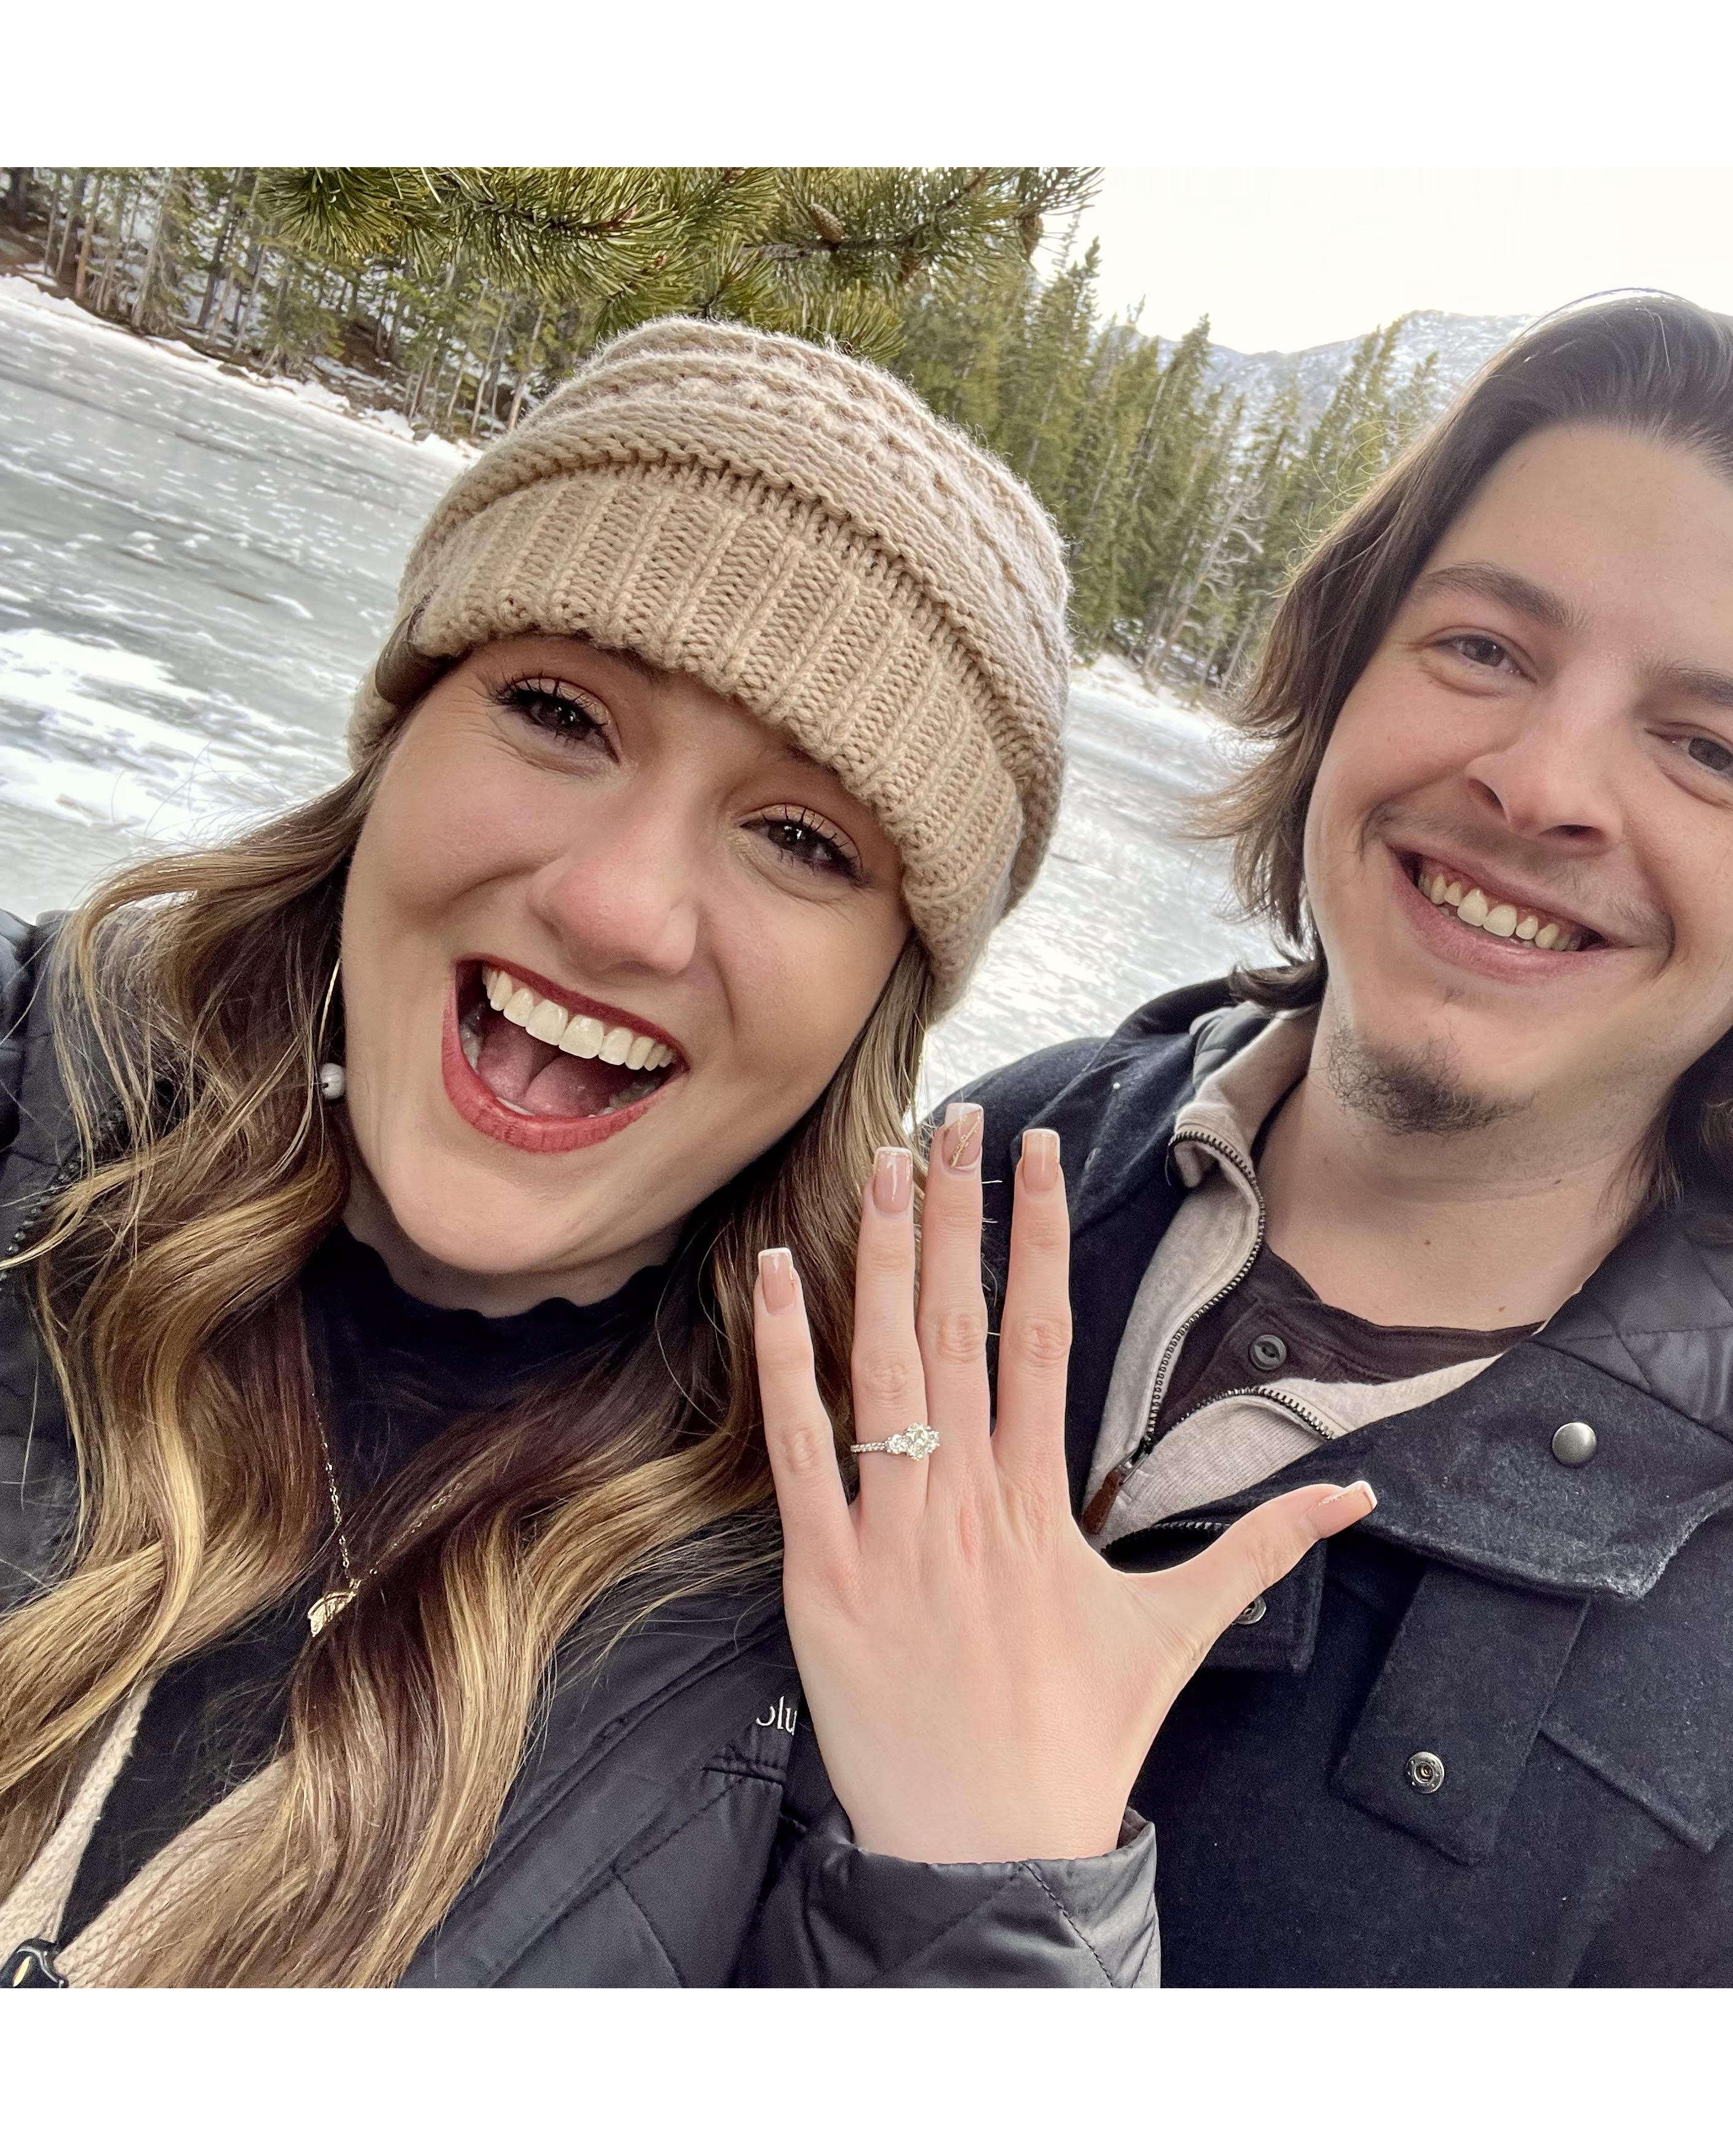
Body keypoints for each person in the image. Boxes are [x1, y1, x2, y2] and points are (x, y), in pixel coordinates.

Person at [0, 319, 1367, 1988]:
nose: (615, 907)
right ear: (398, 735)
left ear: (888, 989)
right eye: (561, 713)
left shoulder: (851, 1603)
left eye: (801, 840)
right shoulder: (30, 1105)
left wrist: (993, 1892)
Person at [960, 294, 1733, 1985]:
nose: (1542, 781)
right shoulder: (1000, 1156)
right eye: (1485, 648)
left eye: (1706, 748)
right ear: (1343, 679)